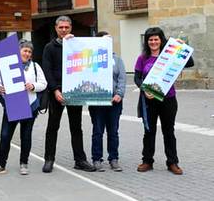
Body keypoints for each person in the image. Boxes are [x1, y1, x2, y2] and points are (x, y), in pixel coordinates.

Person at [134, 27, 193, 175]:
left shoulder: (171, 55)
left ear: (161, 40)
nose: (153, 42)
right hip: (149, 100)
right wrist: (144, 89)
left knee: (169, 131)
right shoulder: (142, 58)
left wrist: (182, 46)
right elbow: (137, 77)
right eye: (150, 39)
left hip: (168, 99)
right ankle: (147, 161)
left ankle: (172, 162)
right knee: (149, 132)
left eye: (156, 39)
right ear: (147, 42)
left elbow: (189, 63)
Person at [42, 16, 95, 173]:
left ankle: (80, 160)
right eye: (61, 27)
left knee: (76, 127)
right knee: (52, 127)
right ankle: (49, 159)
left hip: (74, 92)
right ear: (56, 28)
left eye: (66, 27)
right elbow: (47, 70)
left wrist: (105, 40)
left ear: (71, 28)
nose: (64, 30)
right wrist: (55, 90)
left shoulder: (76, 45)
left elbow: (90, 54)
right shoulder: (49, 48)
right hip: (56, 93)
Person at [0, 39, 47, 176]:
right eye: (25, 50)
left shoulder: (35, 67)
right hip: (12, 104)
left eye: (29, 51)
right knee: (5, 135)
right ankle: (1, 165)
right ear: (18, 51)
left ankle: (23, 163)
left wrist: (33, 86)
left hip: (30, 105)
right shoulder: (8, 65)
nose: (27, 53)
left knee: (26, 136)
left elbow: (43, 83)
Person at [87, 31, 126, 172]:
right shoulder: (91, 59)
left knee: (113, 131)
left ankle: (113, 159)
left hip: (114, 102)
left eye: (110, 40)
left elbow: (122, 78)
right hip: (97, 102)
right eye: (104, 40)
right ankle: (97, 159)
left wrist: (119, 94)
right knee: (97, 131)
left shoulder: (117, 59)